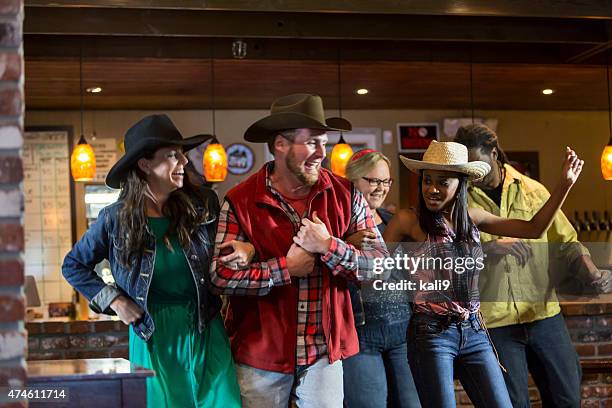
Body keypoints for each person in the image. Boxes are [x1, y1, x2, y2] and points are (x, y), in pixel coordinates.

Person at [210, 93, 389, 408]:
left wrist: (329, 246)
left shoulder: (346, 194)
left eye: (324, 143)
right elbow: (220, 277)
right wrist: (285, 268)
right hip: (260, 354)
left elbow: (381, 267)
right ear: (280, 145)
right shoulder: (240, 200)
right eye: (312, 143)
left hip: (324, 353)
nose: (322, 153)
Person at [62, 114, 250, 408]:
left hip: (204, 326)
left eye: (183, 155)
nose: (184, 163)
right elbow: (73, 265)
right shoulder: (115, 219)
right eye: (173, 156)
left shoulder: (203, 206)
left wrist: (246, 249)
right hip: (152, 334)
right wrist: (115, 300)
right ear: (145, 164)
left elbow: (233, 248)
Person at [383, 140, 584, 408]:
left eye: (443, 182)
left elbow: (534, 229)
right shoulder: (408, 220)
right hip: (431, 333)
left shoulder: (472, 217)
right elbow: (377, 269)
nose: (432, 188)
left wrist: (565, 185)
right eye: (427, 180)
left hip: (475, 331)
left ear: (461, 183)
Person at [455, 123, 612, 408]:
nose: (473, 173)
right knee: (510, 403)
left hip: (543, 314)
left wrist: (591, 270)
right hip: (494, 321)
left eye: (477, 163)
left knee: (566, 398)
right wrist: (488, 249)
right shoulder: (459, 200)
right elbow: (449, 256)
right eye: (467, 166)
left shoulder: (533, 191)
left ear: (493, 153)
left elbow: (566, 241)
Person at [342, 149, 421, 408]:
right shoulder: (338, 228)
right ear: (351, 181)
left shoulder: (394, 221)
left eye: (386, 181)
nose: (381, 188)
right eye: (373, 180)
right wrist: (345, 243)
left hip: (402, 331)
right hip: (360, 334)